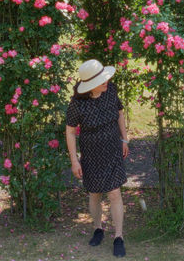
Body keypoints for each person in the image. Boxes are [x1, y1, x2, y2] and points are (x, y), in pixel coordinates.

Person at [65, 59, 130, 258]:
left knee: (114, 193)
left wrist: (124, 139)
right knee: (94, 193)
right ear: (91, 85)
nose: (107, 81)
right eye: (102, 80)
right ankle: (98, 228)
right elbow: (69, 132)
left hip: (112, 148)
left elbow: (119, 113)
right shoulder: (78, 103)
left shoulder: (111, 91)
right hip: (91, 153)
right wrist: (74, 160)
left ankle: (119, 237)